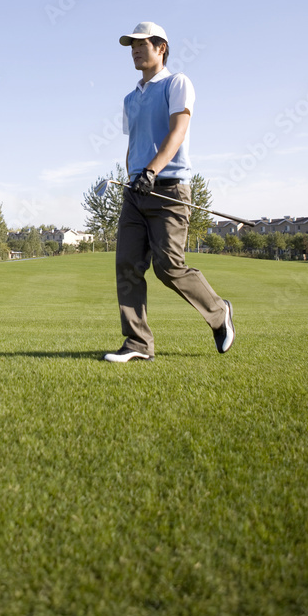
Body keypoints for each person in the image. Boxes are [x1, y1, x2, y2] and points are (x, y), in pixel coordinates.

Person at [104, 21, 235, 362]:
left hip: (169, 191)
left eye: (141, 43)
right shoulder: (130, 98)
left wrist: (151, 170)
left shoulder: (177, 83)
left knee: (168, 266)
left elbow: (177, 132)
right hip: (136, 192)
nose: (134, 49)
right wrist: (134, 174)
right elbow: (136, 142)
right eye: (131, 44)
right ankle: (137, 344)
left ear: (161, 48)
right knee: (127, 266)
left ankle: (219, 312)